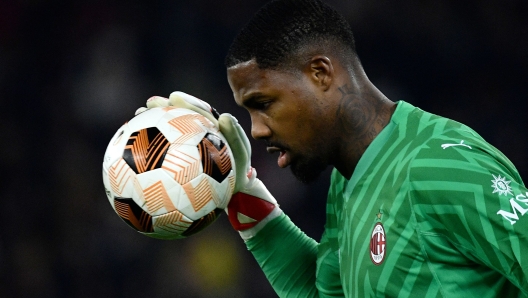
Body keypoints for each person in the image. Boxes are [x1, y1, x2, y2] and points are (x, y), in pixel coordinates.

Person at [141, 0, 528, 296]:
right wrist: (237, 188)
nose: (256, 131)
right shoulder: (350, 179)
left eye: (264, 104)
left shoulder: (438, 167)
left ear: (320, 73)